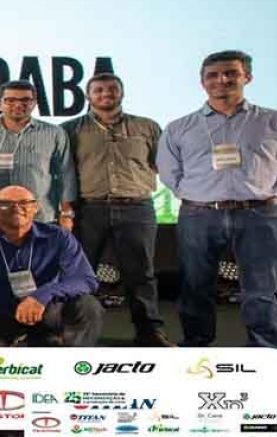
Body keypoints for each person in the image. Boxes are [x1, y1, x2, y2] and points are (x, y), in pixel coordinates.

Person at [157, 50, 277, 349]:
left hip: (260, 214)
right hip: (199, 214)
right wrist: (198, 196)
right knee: (195, 286)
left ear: (246, 77)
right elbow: (169, 173)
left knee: (261, 289)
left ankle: (265, 350)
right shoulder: (179, 127)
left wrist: (266, 191)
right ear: (202, 82)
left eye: (230, 73)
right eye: (212, 75)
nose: (221, 80)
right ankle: (196, 346)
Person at [61, 73, 173, 347]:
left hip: (136, 208)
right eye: (98, 90)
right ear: (88, 96)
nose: (106, 94)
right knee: (79, 273)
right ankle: (76, 334)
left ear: (121, 93)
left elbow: (163, 165)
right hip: (89, 210)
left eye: (112, 89)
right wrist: (66, 210)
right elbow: (64, 173)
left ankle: (150, 332)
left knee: (141, 274)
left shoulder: (147, 127)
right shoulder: (69, 129)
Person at [0, 186, 103, 347]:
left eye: (24, 203)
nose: (16, 208)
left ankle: (72, 358)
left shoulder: (58, 237)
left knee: (88, 306)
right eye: (6, 204)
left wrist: (42, 295)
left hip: (47, 309)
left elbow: (86, 279)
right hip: (0, 315)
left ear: (36, 207)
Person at [0, 80, 76, 232]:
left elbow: (65, 174)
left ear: (34, 104)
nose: (18, 104)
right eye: (10, 100)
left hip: (40, 216)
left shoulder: (55, 133)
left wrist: (66, 213)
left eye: (25, 100)